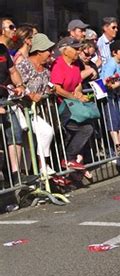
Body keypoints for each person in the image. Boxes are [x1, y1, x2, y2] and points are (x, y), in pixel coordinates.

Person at [50, 37, 96, 174]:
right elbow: (56, 88)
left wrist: (78, 92)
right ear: (65, 51)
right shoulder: (58, 64)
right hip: (61, 107)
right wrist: (72, 96)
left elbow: (78, 83)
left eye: (79, 48)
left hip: (73, 106)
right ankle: (65, 162)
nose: (79, 51)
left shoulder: (76, 64)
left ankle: (69, 160)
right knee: (78, 130)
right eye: (75, 48)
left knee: (86, 128)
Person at [16, 33, 56, 177]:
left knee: (46, 132)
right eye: (48, 50)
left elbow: (44, 88)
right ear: (39, 51)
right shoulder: (24, 65)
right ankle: (23, 177)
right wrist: (29, 93)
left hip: (33, 111)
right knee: (25, 144)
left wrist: (49, 91)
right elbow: (16, 83)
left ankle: (42, 166)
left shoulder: (46, 71)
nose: (51, 54)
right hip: (19, 109)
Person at [0, 35, 27, 186]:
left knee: (15, 133)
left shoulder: (3, 50)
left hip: (5, 100)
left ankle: (16, 175)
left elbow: (13, 71)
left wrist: (20, 85)